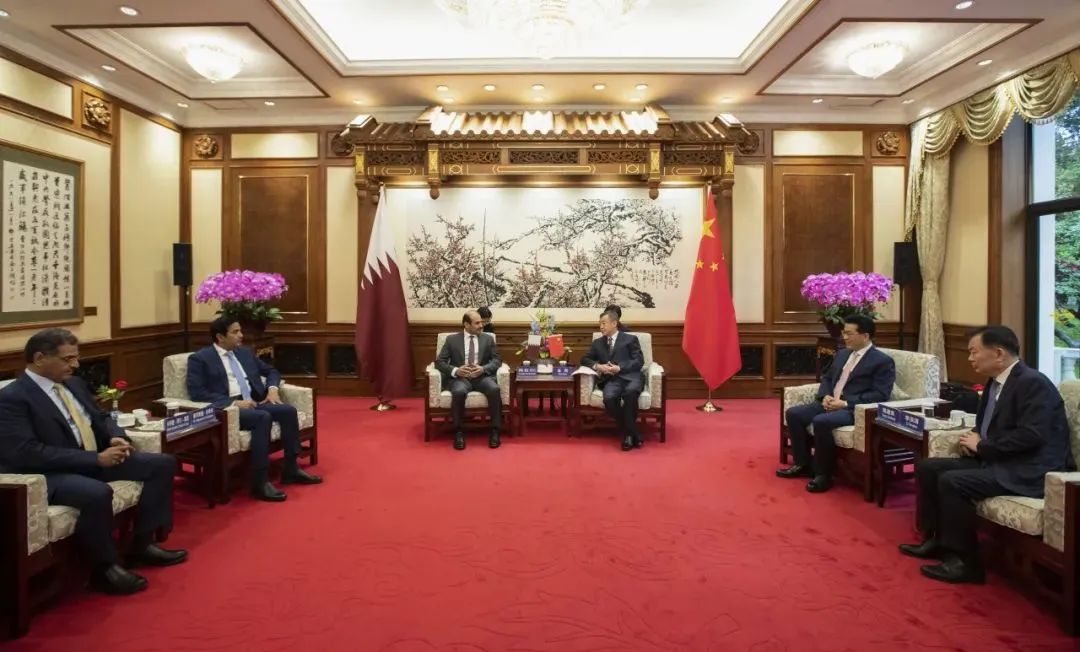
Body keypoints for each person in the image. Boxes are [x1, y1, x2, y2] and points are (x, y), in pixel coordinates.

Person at [0, 328, 187, 595]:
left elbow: (101, 417)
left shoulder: (73, 384)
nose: (75, 364)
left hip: (92, 459)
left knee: (162, 464)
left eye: (76, 358)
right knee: (97, 493)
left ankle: (142, 545)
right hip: (46, 474)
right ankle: (104, 569)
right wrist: (95, 459)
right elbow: (27, 452)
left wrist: (115, 437)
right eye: (68, 359)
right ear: (40, 358)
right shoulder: (13, 398)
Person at [899, 325, 1073, 584]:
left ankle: (965, 562)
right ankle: (936, 539)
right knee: (928, 467)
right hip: (1000, 460)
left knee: (952, 481)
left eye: (974, 352)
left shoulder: (1033, 383)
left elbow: (1031, 435)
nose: (970, 358)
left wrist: (982, 446)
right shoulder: (996, 381)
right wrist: (974, 439)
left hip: (1030, 470)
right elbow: (991, 425)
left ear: (999, 353)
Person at [187, 317, 322, 502]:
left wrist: (272, 390)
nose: (241, 335)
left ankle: (291, 469)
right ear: (220, 337)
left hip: (255, 401)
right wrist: (234, 403)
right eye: (235, 332)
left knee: (288, 411)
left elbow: (271, 371)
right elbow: (197, 393)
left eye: (240, 331)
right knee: (262, 418)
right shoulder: (201, 359)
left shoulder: (244, 353)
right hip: (229, 410)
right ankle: (260, 481)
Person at [777, 314, 896, 492]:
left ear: (865, 336)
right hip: (830, 402)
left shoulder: (882, 361)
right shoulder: (842, 354)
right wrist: (825, 395)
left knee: (821, 421)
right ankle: (803, 464)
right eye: (843, 333)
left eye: (849, 333)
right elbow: (827, 377)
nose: (844, 337)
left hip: (853, 409)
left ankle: (823, 475)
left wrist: (845, 403)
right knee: (794, 414)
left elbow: (880, 394)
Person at [435, 310, 504, 450]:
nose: (481, 325)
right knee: (459, 392)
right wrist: (456, 370)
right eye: (477, 323)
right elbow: (439, 362)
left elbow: (497, 360)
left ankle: (495, 430)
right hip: (460, 378)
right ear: (466, 324)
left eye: (481, 322)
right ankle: (458, 432)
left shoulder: (488, 339)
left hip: (481, 377)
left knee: (494, 389)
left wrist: (483, 369)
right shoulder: (452, 340)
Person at [581, 310, 645, 451]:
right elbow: (585, 359)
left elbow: (639, 361)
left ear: (614, 323)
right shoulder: (598, 343)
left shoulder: (630, 339)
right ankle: (633, 432)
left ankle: (628, 437)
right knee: (609, 399)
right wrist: (599, 366)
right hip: (612, 379)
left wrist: (620, 367)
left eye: (604, 323)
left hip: (631, 376)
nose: (601, 327)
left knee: (630, 393)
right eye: (600, 324)